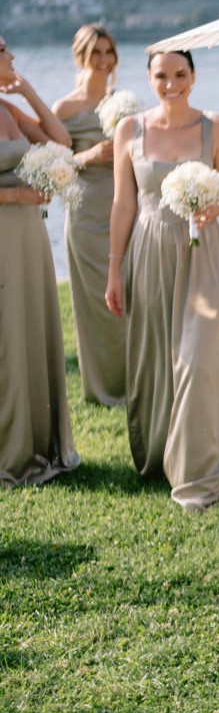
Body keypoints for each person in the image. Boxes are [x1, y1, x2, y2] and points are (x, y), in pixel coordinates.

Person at [106, 49, 219, 511]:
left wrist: (208, 206)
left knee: (199, 359)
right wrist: (113, 269)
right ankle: (159, 456)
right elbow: (123, 203)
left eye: (180, 73)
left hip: (202, 252)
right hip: (148, 246)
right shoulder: (129, 130)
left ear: (194, 76)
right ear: (148, 78)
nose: (171, 83)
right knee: (154, 356)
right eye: (161, 75)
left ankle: (199, 471)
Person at [0, 36, 80, 485]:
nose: (12, 55)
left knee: (28, 326)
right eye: (3, 50)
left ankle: (36, 442)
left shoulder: (9, 112)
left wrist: (26, 90)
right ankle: (8, 450)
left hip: (28, 234)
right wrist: (16, 194)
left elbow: (61, 141)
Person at [52, 24, 128, 406]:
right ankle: (102, 388)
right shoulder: (64, 108)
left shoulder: (125, 102)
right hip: (84, 211)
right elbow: (53, 164)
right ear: (80, 55)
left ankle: (138, 382)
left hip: (124, 207)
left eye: (108, 52)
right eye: (95, 52)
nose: (103, 60)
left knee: (131, 295)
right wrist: (91, 156)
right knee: (96, 303)